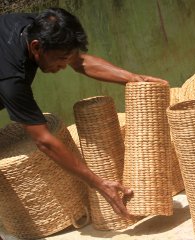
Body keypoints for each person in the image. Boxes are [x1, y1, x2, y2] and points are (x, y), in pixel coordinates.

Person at [0, 7, 168, 218]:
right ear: (36, 47)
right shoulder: (11, 78)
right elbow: (44, 141)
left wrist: (132, 77)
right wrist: (99, 184)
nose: (63, 66)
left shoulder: (38, 27)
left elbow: (79, 61)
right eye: (61, 59)